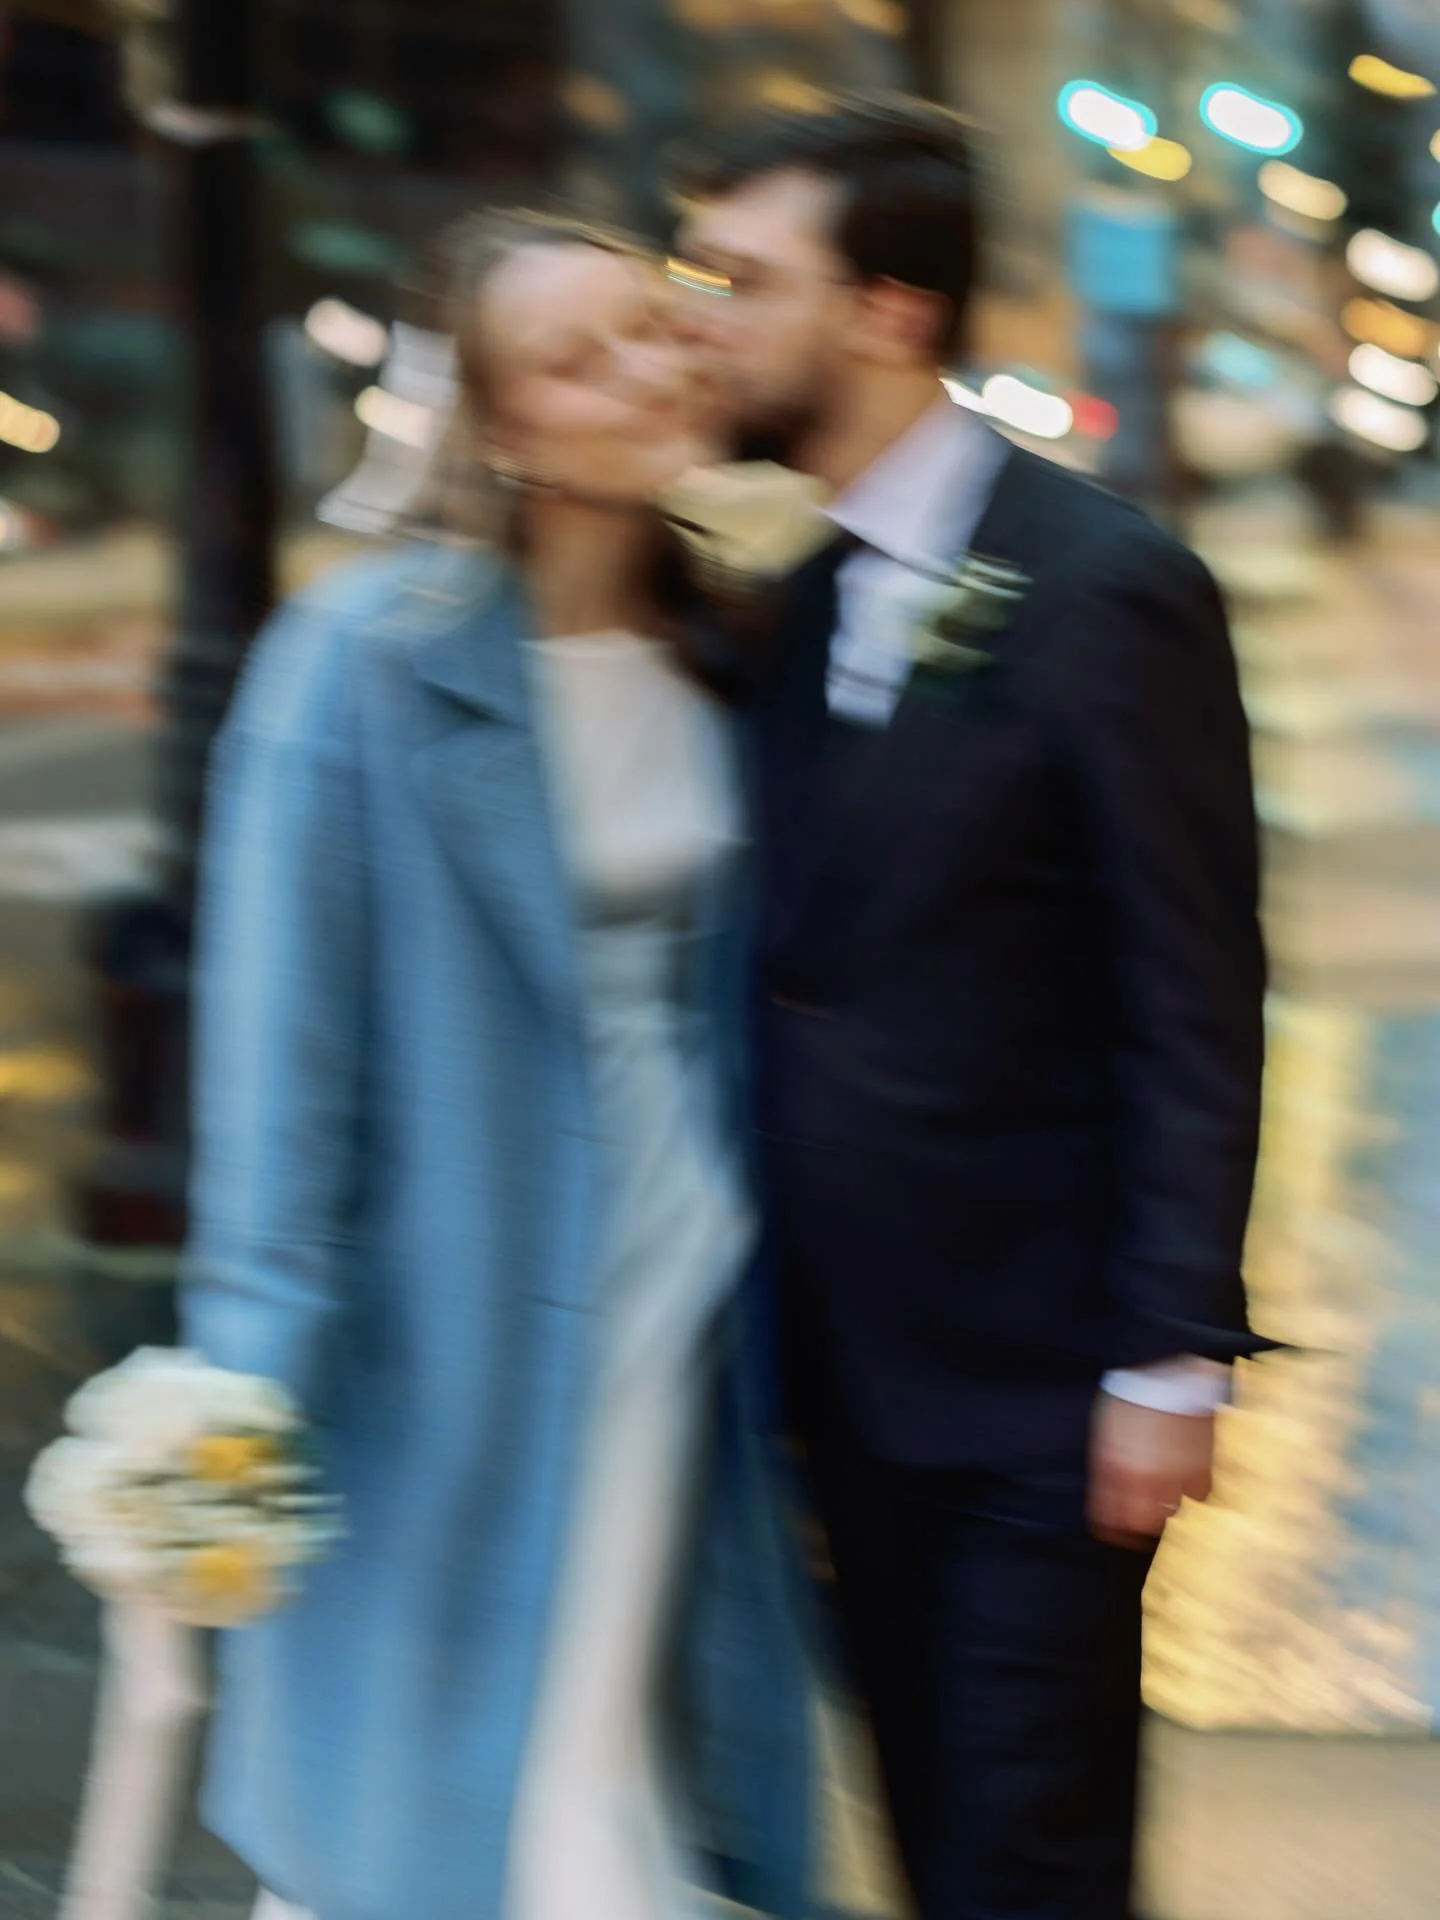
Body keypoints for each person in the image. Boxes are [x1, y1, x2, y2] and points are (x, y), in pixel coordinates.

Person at [671, 95, 1270, 1920]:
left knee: (1031, 1858)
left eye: (743, 282)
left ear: (887, 311)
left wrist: (1172, 1354)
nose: (705, 319)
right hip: (840, 1387)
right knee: (935, 1839)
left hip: (1039, 1387)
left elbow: (1192, 985)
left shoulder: (1110, 591)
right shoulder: (799, 598)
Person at [180, 210, 813, 1920]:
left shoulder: (738, 646)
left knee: (626, 1748)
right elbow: (278, 1079)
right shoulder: (364, 663)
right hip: (456, 1320)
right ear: (506, 426)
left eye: (649, 324)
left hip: (689, 1297)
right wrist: (234, 1409)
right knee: (467, 1800)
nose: (640, 368)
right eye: (571, 356)